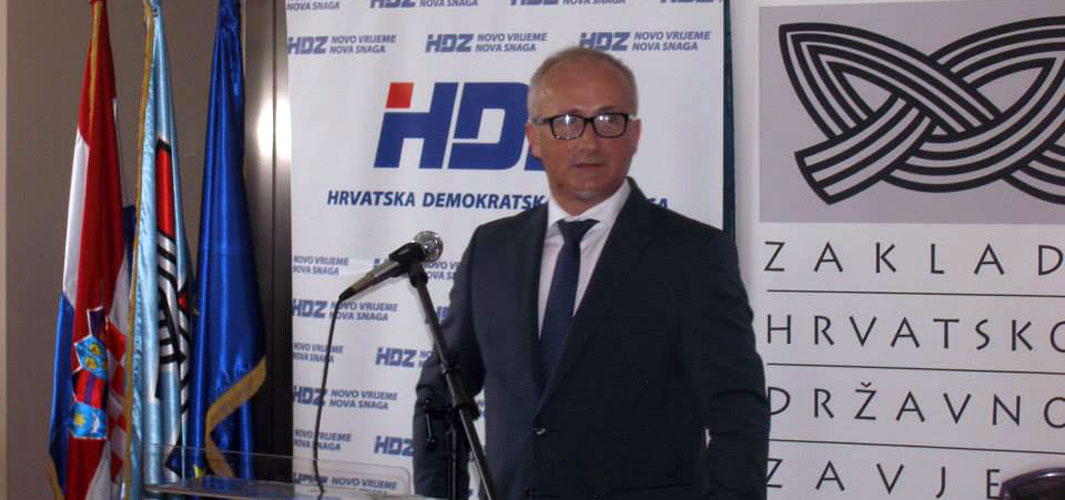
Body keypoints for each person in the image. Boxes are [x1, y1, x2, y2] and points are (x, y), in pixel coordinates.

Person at [413, 46, 769, 500]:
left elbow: (737, 411)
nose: (588, 142)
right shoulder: (492, 249)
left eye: (608, 120)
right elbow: (442, 393)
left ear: (634, 134)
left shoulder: (693, 254)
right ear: (533, 138)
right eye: (566, 121)